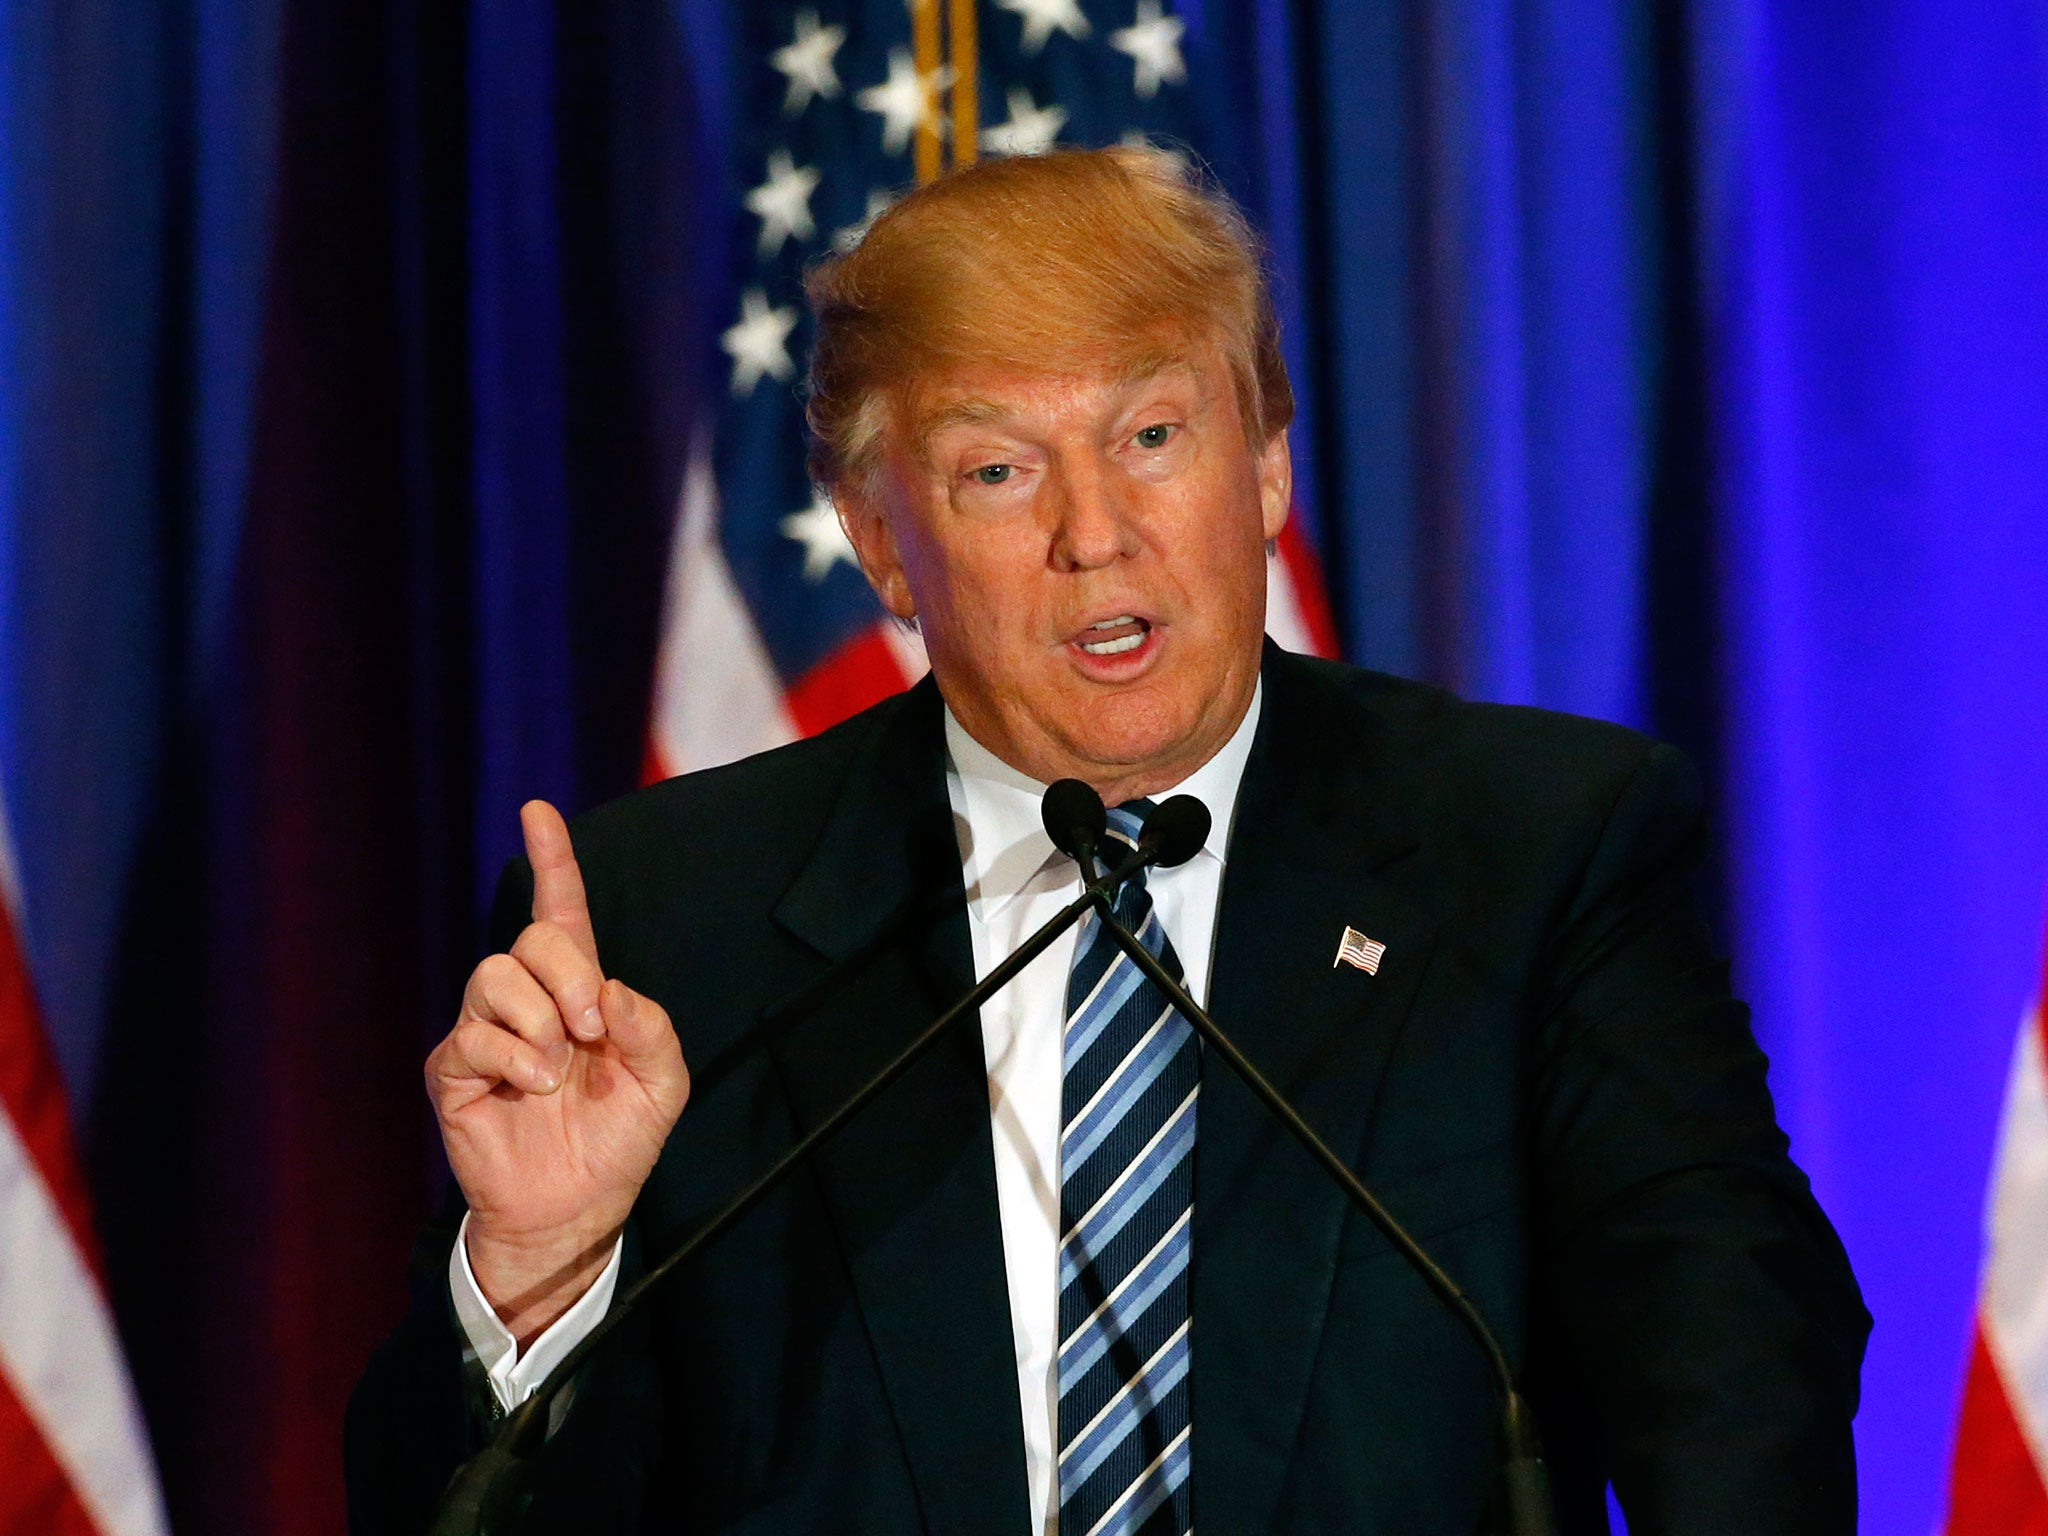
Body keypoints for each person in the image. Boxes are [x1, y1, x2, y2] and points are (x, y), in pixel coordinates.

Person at [346, 146, 1868, 1535]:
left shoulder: (1532, 855)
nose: (1096, 531)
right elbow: (443, 1512)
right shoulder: (670, 924)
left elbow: (1736, 1374)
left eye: (1152, 432)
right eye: (998, 469)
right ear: (883, 541)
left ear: (1265, 465)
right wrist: (540, 1278)